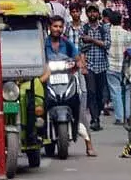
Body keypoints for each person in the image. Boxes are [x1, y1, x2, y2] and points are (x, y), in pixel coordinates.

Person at [42, 15, 97, 156]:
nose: (57, 29)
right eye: (55, 26)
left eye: (60, 27)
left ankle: (88, 143)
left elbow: (78, 59)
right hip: (48, 80)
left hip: (67, 79)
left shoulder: (67, 43)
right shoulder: (43, 44)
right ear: (50, 27)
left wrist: (78, 65)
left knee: (79, 108)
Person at [81, 4, 111, 131]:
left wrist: (92, 40)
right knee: (92, 93)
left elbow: (107, 45)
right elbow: (80, 46)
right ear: (87, 14)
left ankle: (97, 114)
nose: (92, 14)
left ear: (98, 14)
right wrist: (83, 63)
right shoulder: (84, 28)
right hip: (90, 66)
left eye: (94, 12)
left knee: (100, 94)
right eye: (90, 12)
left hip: (102, 65)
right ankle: (95, 119)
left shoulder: (104, 28)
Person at [108, 12, 131, 125]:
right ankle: (128, 115)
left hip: (111, 65)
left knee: (115, 91)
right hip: (125, 66)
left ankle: (119, 117)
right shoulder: (127, 34)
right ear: (121, 20)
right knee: (127, 91)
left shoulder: (107, 33)